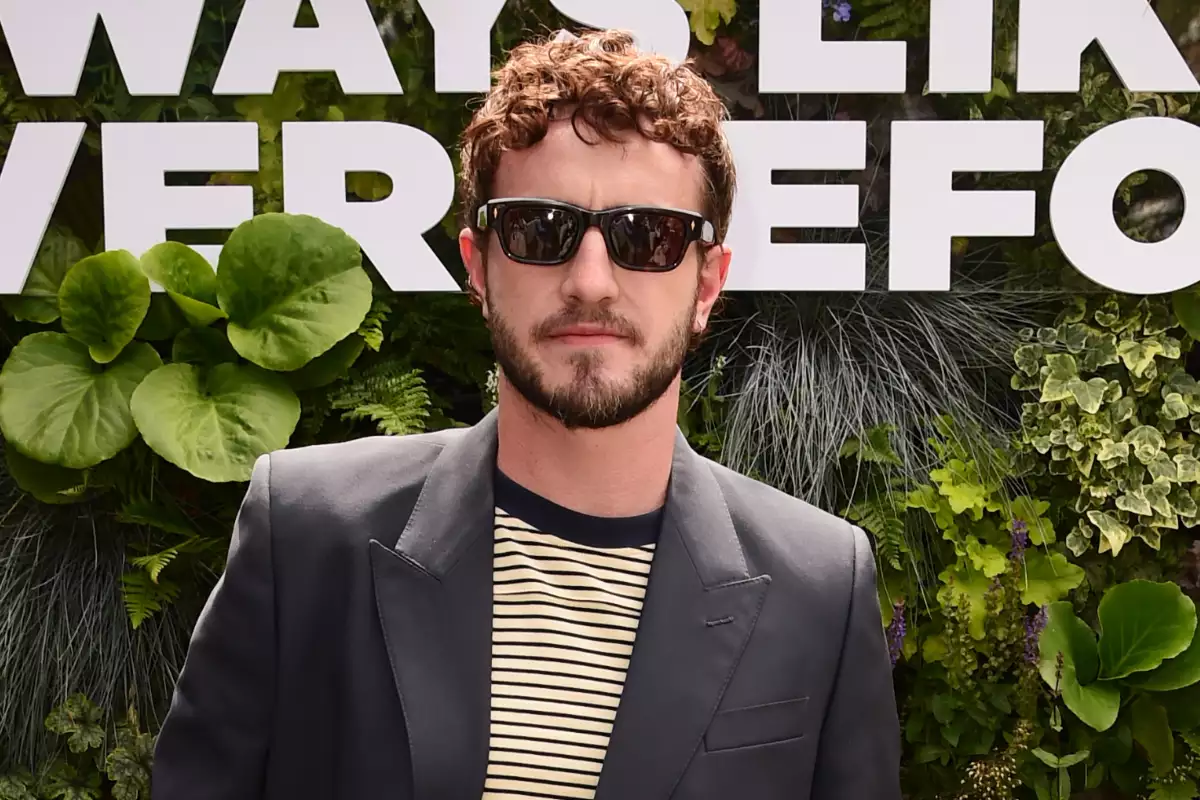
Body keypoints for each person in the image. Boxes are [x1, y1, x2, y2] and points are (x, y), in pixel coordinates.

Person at [150, 27, 901, 800]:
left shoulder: (820, 587)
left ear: (708, 283)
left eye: (648, 236)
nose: (591, 281)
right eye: (541, 230)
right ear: (479, 266)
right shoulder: (306, 533)